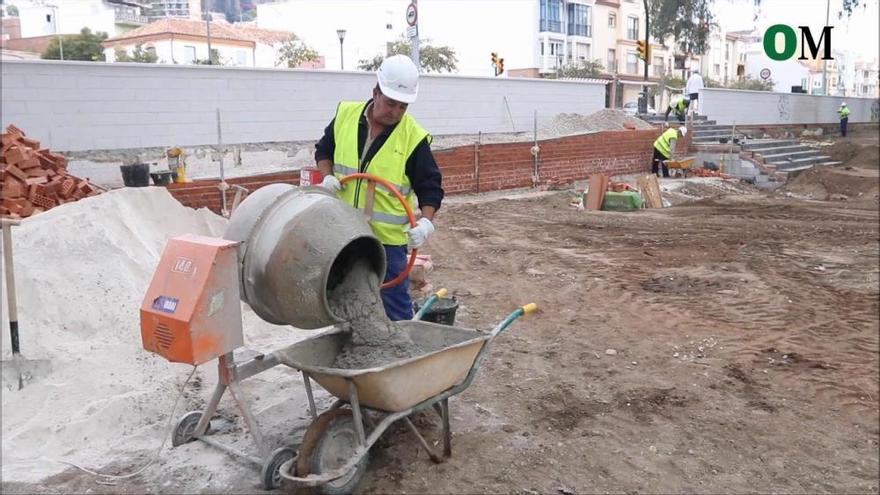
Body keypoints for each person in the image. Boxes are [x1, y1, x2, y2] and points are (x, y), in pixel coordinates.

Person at [314, 54, 444, 321]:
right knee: (342, 296)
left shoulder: (413, 138)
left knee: (394, 305)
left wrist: (426, 223)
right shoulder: (345, 116)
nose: (395, 112)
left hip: (388, 242)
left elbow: (430, 187)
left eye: (403, 107)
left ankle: (400, 355)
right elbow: (324, 150)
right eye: (391, 103)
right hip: (344, 232)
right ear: (376, 92)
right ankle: (352, 348)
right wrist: (327, 177)